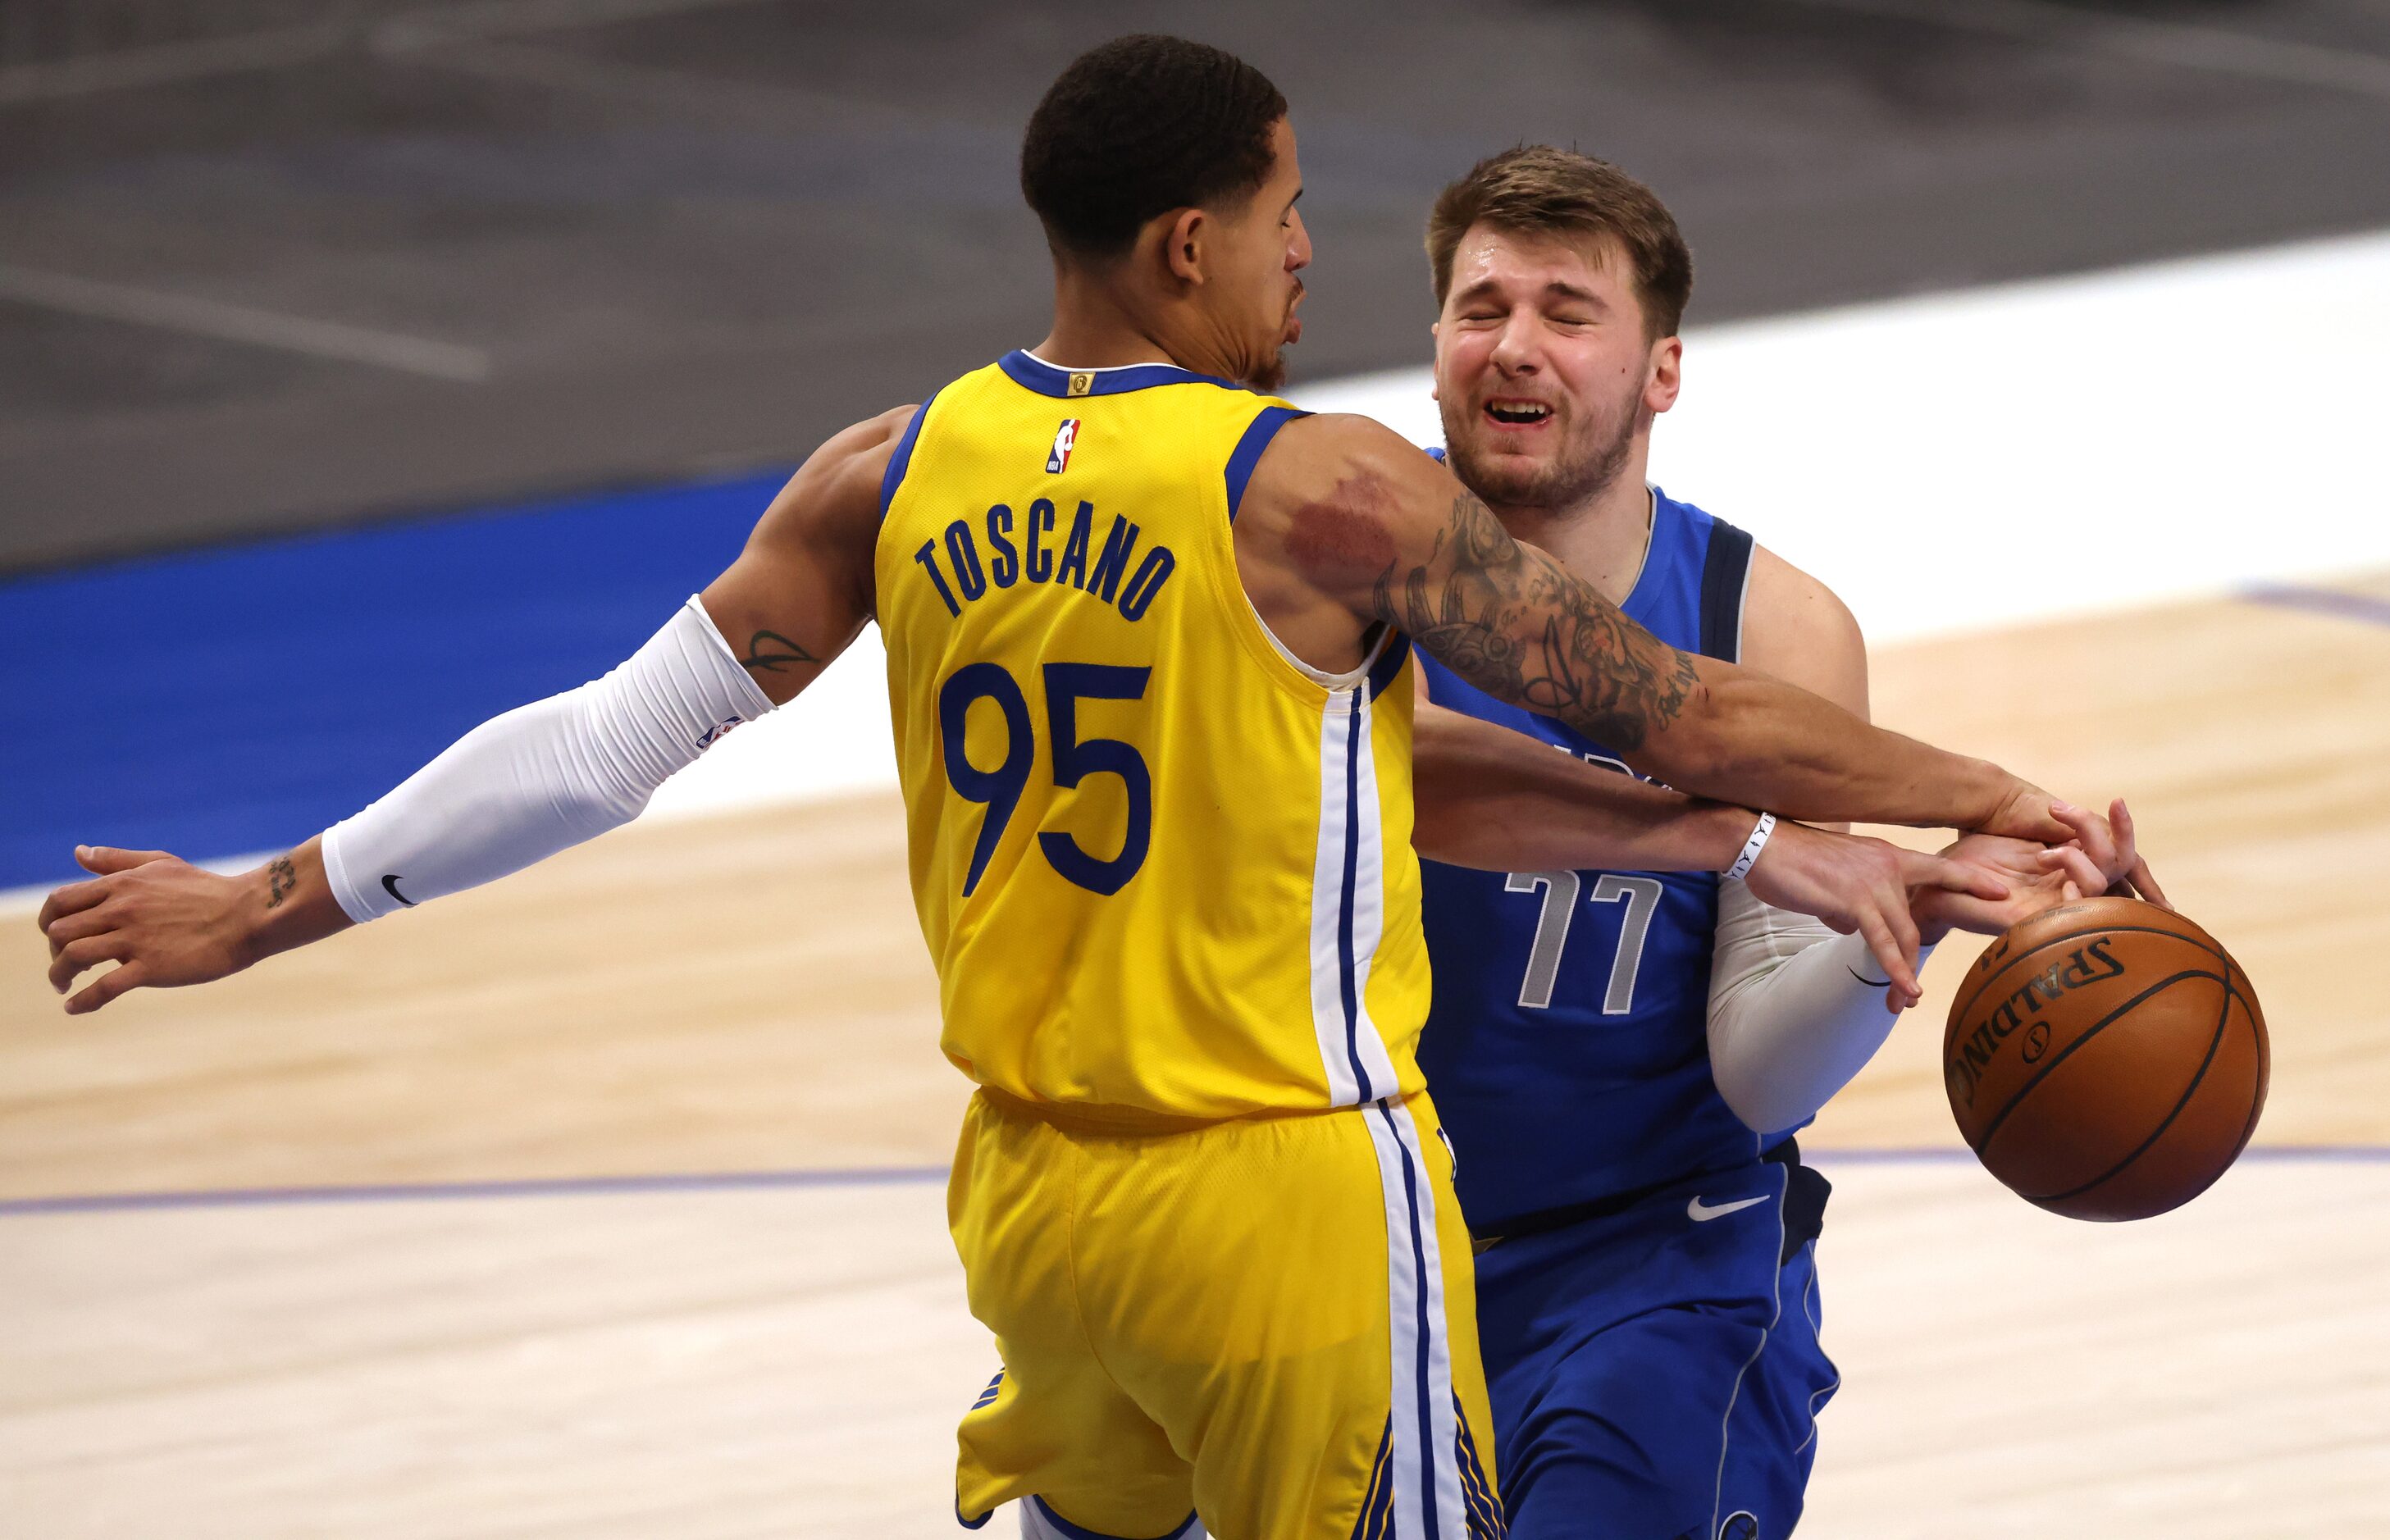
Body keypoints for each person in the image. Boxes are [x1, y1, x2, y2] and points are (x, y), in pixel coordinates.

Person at [37, 38, 2095, 1540]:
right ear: (1187, 243)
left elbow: (593, 743)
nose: (1312, 270)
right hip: (1280, 1193)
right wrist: (1976, 790)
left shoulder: (885, 469)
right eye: (1292, 227)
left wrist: (267, 898)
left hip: (1032, 1208)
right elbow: (1674, 710)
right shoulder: (1316, 492)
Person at [1405, 146, 2162, 1540]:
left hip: (1649, 1261)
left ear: (1661, 371)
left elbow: (1757, 1072)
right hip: (1359, 1244)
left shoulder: (1771, 622)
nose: (1512, 346)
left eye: (1567, 311)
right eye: (1479, 306)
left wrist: (1908, 916)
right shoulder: (1343, 577)